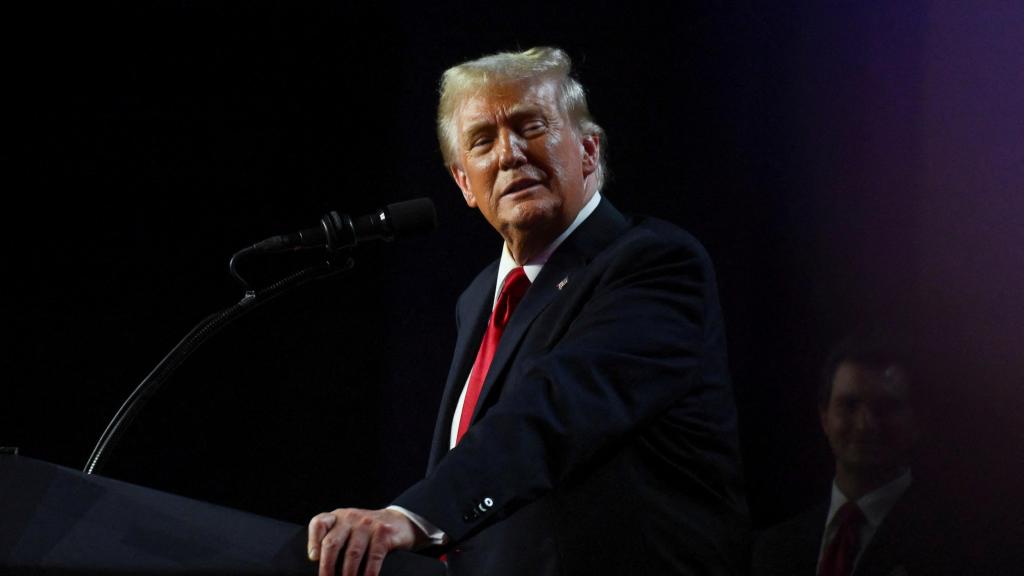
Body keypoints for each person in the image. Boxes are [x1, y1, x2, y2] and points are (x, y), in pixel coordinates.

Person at [307, 46, 747, 576]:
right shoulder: (477, 299)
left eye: (530, 126)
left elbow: (553, 410)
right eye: (482, 141)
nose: (509, 154)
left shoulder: (653, 264)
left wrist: (415, 514)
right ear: (464, 183)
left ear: (588, 149)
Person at [751, 333, 964, 576]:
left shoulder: (956, 545)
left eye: (885, 407)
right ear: (824, 418)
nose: (865, 425)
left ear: (916, 422)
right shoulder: (774, 549)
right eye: (849, 406)